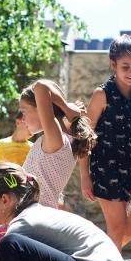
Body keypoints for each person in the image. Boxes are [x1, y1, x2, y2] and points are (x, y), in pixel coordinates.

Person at [80, 34, 131, 251]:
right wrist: (84, 176)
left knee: (129, 232)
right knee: (118, 229)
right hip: (105, 168)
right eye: (125, 67)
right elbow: (84, 136)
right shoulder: (102, 94)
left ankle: (95, 255)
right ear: (113, 65)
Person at [19, 79, 96, 210]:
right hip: (35, 212)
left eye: (24, 111)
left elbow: (41, 86)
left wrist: (67, 109)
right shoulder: (63, 138)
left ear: (41, 107)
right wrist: (71, 112)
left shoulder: (56, 139)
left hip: (34, 213)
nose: (22, 118)